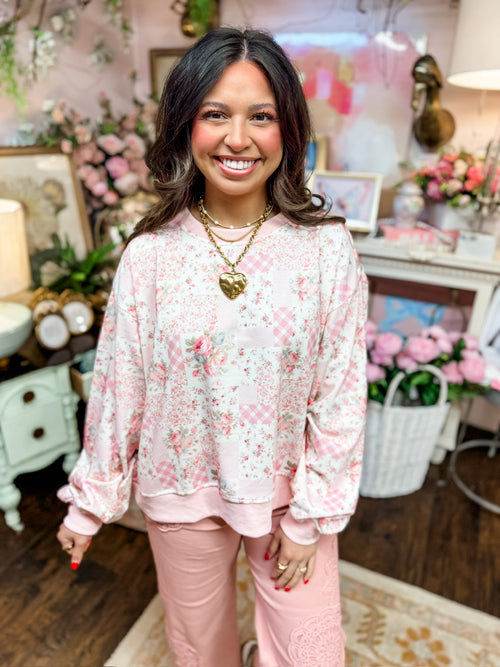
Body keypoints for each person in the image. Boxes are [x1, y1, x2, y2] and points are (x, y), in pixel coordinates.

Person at [57, 27, 368, 667]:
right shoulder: (149, 255)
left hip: (288, 498)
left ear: (289, 130)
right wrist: (89, 505)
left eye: (261, 117)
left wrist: (309, 518)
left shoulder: (326, 248)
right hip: (180, 492)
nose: (237, 138)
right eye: (215, 114)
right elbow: (120, 386)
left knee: (310, 655)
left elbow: (340, 393)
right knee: (201, 653)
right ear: (184, 126)